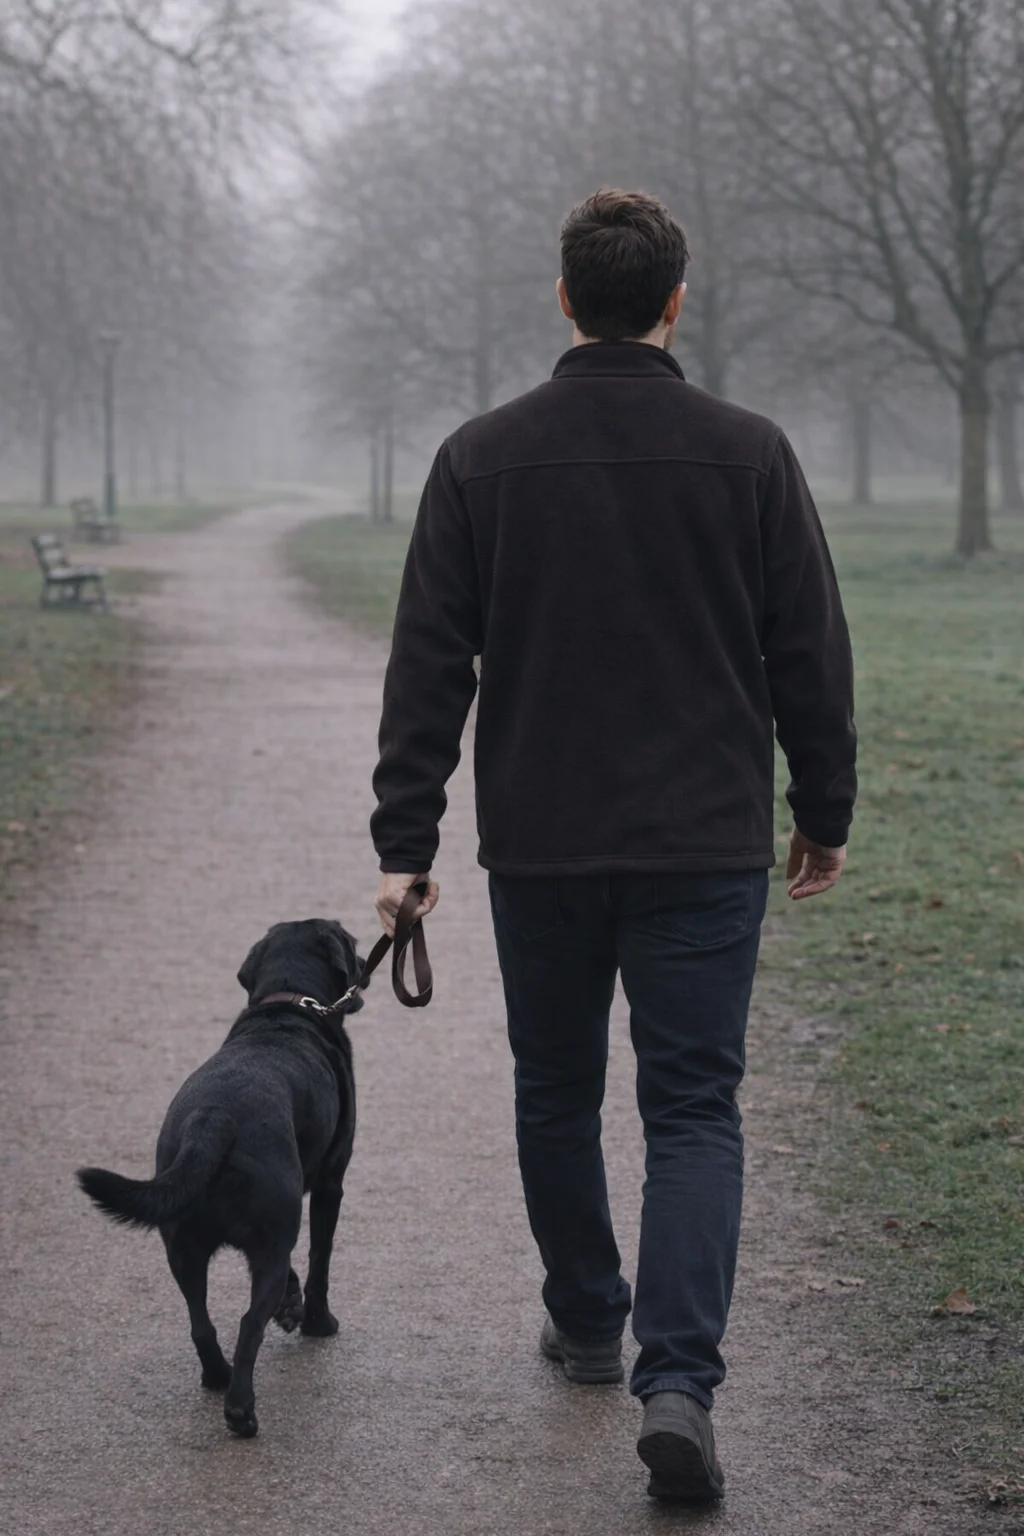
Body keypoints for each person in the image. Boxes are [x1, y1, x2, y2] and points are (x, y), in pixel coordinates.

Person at [369, 187, 856, 1503]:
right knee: (694, 1109)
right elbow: (809, 647)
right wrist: (824, 810)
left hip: (544, 839)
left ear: (567, 299)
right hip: (702, 838)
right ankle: (679, 1381)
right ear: (675, 301)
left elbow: (428, 664)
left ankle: (590, 1321)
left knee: (556, 1089)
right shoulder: (749, 454)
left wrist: (403, 842)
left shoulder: (481, 457)